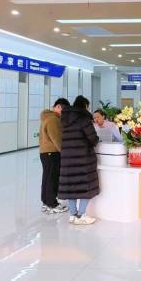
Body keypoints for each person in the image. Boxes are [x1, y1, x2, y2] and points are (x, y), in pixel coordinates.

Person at [59, 96, 100, 225]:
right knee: (85, 186)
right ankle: (81, 215)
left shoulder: (64, 119)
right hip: (82, 158)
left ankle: (72, 215)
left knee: (71, 187)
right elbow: (93, 138)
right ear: (84, 106)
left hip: (67, 158)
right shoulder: (83, 118)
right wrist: (96, 140)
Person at [39, 98, 70, 214]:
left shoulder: (46, 118)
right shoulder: (53, 119)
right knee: (52, 178)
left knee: (47, 178)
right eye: (65, 109)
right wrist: (64, 152)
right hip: (52, 153)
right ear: (59, 107)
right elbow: (57, 139)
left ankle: (46, 203)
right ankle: (52, 204)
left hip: (45, 152)